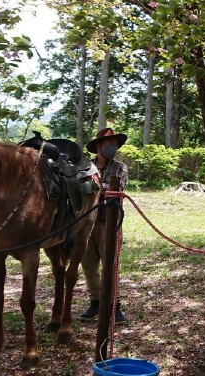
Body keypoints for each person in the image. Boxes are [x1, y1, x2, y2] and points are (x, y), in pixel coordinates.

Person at [80, 127, 129, 322]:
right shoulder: (85, 166)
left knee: (111, 264)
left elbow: (116, 188)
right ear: (99, 146)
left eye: (115, 145)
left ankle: (114, 305)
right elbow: (79, 189)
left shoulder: (120, 167)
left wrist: (93, 188)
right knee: (89, 265)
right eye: (109, 144)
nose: (113, 148)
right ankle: (96, 302)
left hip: (109, 223)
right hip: (86, 223)